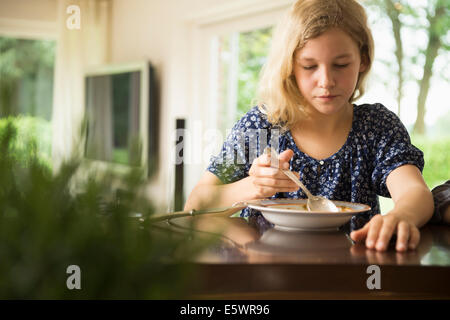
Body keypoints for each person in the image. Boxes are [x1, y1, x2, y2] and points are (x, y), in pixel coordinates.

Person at [184, 0, 434, 252]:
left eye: (341, 65)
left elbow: (414, 192)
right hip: (268, 280)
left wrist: (401, 216)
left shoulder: (377, 126)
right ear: (290, 66)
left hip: (352, 278)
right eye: (309, 66)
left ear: (363, 61)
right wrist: (253, 187)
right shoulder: (261, 126)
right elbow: (196, 203)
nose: (326, 81)